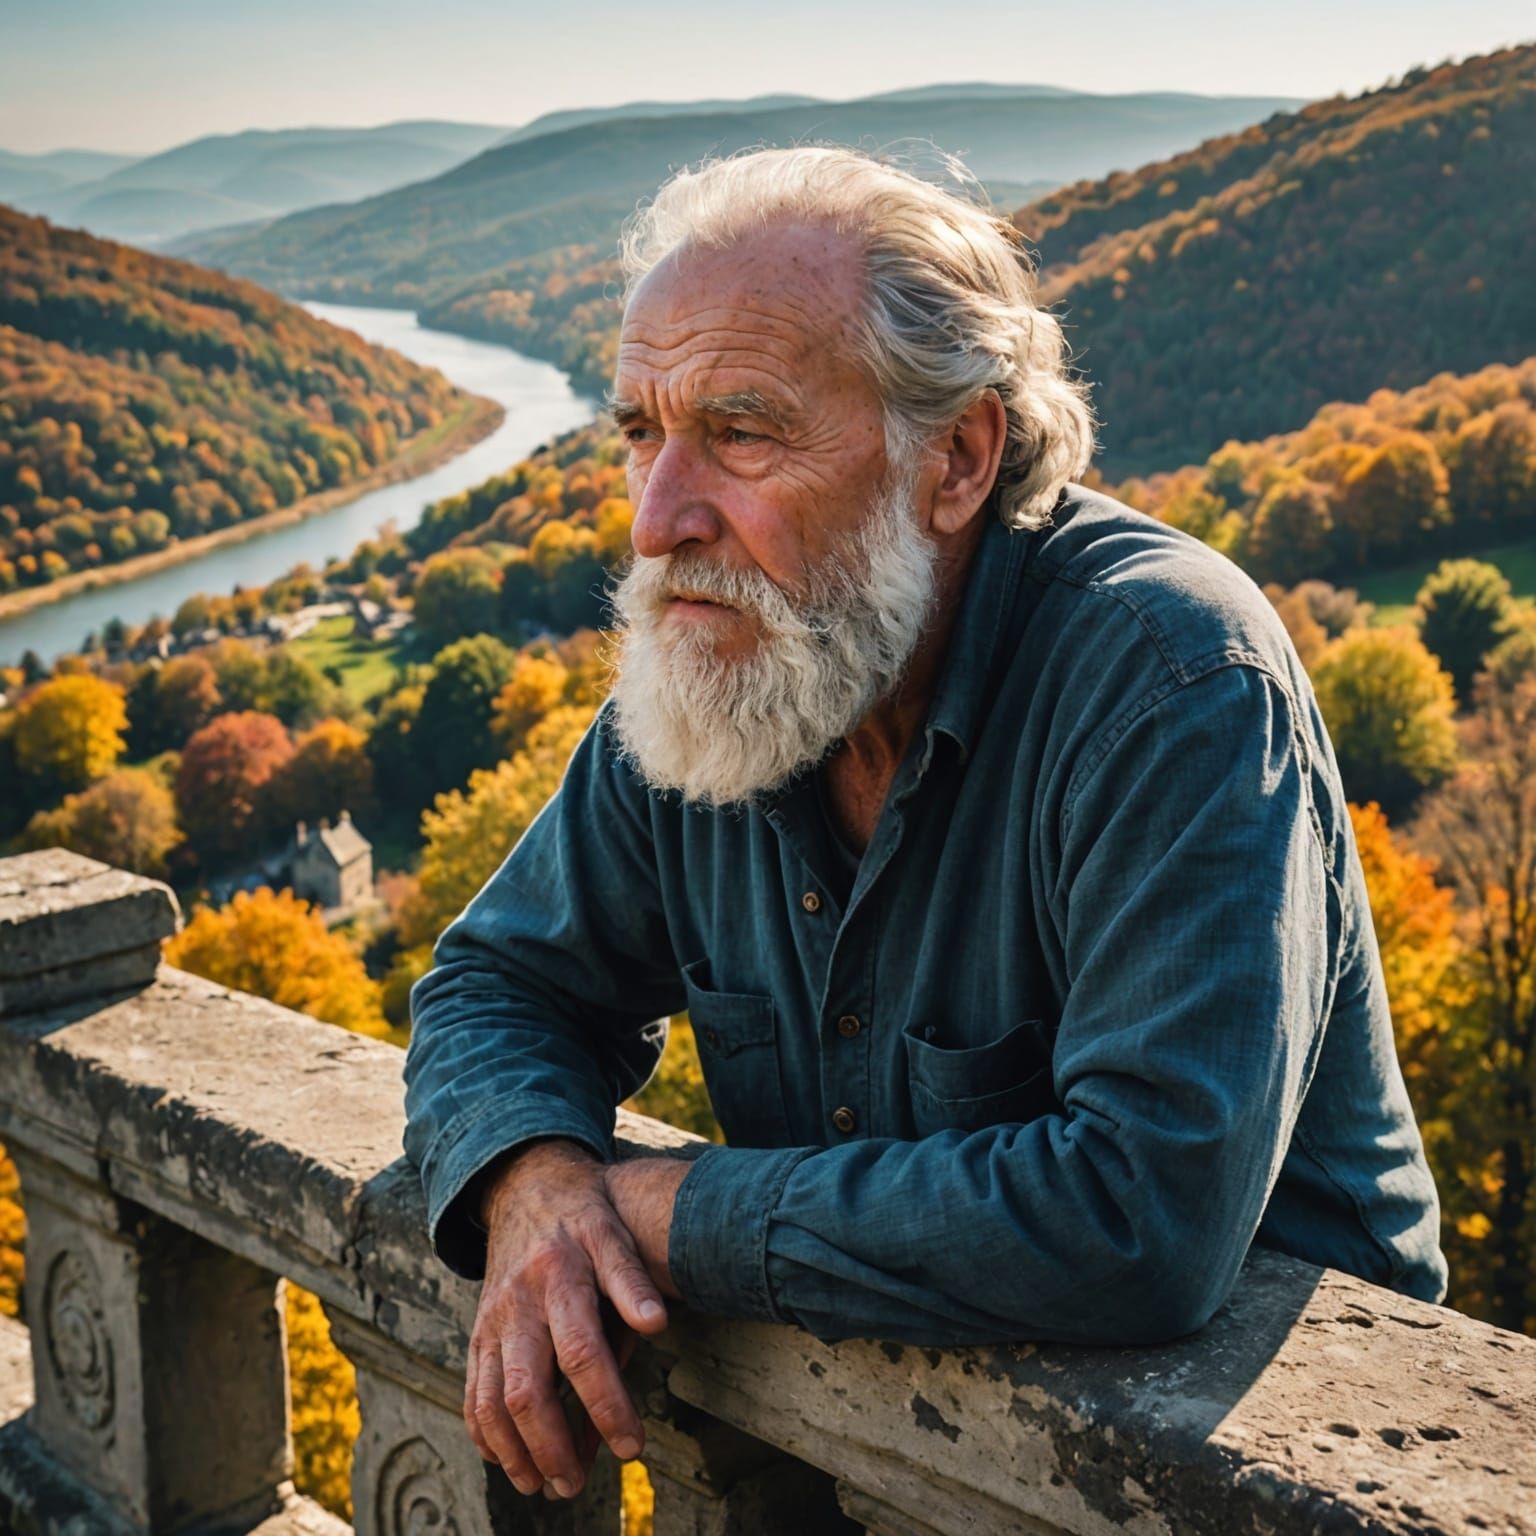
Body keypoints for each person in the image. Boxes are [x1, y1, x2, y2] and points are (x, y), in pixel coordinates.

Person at [402, 144, 1447, 1504]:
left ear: (955, 459)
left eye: (742, 432)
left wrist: (667, 1211)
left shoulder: (1174, 680)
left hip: (1250, 1483)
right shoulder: (724, 672)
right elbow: (497, 980)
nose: (658, 520)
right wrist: (535, 1179)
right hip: (875, 1465)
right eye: (641, 434)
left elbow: (1141, 1214)